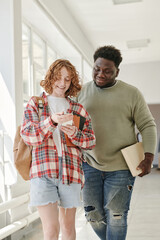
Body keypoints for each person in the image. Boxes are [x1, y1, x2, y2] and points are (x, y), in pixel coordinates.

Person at [77, 46, 157, 240]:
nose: (100, 74)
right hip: (89, 164)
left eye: (107, 71)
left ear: (117, 72)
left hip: (121, 166)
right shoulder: (81, 92)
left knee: (116, 215)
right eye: (97, 68)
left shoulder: (131, 93)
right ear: (93, 65)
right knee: (93, 215)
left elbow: (147, 125)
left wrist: (148, 157)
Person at [20, 59, 96, 240]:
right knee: (51, 229)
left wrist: (76, 134)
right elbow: (29, 135)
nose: (62, 83)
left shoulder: (78, 109)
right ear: (50, 78)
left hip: (71, 173)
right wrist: (52, 121)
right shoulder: (36, 104)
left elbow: (91, 141)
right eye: (58, 78)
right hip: (43, 172)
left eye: (67, 79)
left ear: (72, 82)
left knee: (68, 227)